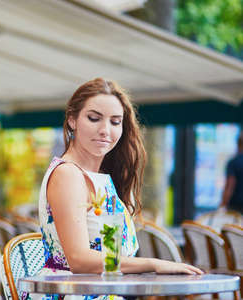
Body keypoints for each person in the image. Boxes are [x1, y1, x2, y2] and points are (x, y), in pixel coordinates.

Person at [26, 78, 203, 300]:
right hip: (73, 294)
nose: (105, 130)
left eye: (115, 121)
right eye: (94, 118)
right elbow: (78, 259)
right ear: (72, 120)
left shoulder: (101, 179)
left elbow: (111, 257)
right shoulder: (68, 174)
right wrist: (153, 263)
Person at [220, 133, 243, 214]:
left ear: (238, 144)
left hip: (235, 207)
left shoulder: (233, 163)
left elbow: (230, 185)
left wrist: (222, 205)